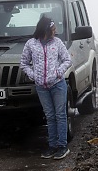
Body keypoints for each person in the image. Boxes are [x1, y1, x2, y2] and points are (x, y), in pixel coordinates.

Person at [21, 16, 72, 159]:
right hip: (41, 87)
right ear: (46, 30)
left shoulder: (57, 43)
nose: (55, 32)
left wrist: (58, 72)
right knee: (49, 116)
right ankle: (52, 146)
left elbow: (67, 60)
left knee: (60, 115)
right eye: (53, 30)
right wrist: (34, 75)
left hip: (58, 85)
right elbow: (24, 63)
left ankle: (62, 146)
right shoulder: (31, 44)